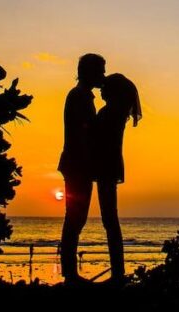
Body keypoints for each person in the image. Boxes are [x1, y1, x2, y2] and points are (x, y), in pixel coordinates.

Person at [58, 53, 106, 284]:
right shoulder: (79, 96)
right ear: (90, 72)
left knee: (76, 218)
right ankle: (69, 274)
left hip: (79, 164)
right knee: (75, 218)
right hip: (77, 164)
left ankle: (69, 272)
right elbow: (81, 134)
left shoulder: (83, 96)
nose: (103, 76)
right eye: (101, 71)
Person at [94, 73, 142, 285]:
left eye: (105, 87)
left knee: (110, 219)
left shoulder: (110, 112)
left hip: (106, 165)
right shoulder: (118, 112)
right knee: (110, 219)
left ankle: (117, 274)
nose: (101, 90)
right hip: (110, 164)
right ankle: (118, 272)